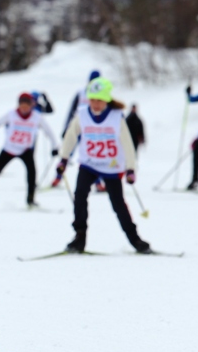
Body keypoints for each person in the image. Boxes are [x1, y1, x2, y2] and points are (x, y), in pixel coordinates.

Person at [55, 77, 150, 254]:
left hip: (111, 167)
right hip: (88, 163)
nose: (95, 103)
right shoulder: (82, 114)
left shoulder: (116, 118)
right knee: (80, 196)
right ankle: (79, 237)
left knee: (118, 204)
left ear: (106, 99)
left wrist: (130, 168)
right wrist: (63, 159)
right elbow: (70, 136)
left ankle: (135, 239)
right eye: (92, 99)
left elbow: (127, 144)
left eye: (99, 100)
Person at [0, 92, 58, 208]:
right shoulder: (11, 114)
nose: (24, 108)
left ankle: (30, 200)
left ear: (31, 105)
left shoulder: (37, 117)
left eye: (26, 105)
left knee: (32, 174)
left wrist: (54, 147)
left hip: (25, 150)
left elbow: (49, 132)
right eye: (21, 105)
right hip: (9, 149)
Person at [52, 70, 101, 188]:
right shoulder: (81, 93)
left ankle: (98, 183)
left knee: (93, 155)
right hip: (77, 128)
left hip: (92, 131)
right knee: (67, 153)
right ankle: (57, 178)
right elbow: (71, 112)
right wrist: (66, 129)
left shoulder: (102, 96)